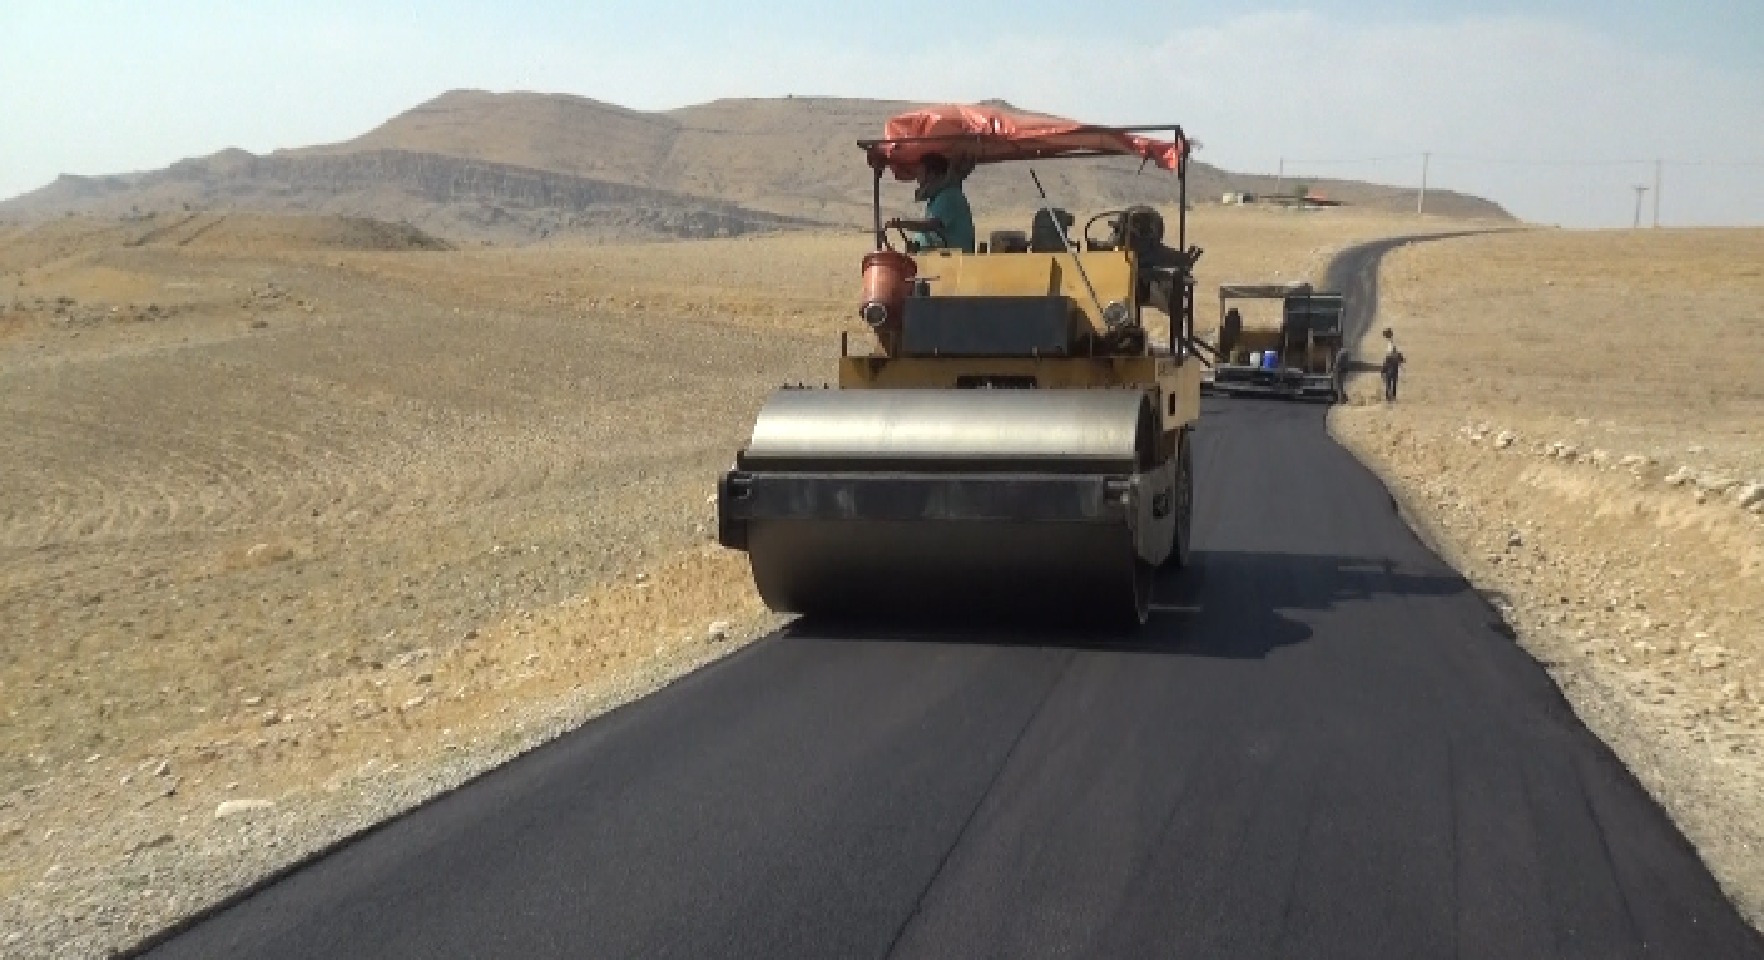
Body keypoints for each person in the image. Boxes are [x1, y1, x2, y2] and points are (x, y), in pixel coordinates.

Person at [885, 153, 975, 253]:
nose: (918, 179)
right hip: (936, 257)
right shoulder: (936, 198)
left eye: (920, 173)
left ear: (932, 174)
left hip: (953, 261)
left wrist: (903, 224)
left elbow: (931, 226)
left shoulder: (948, 196)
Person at [1380, 327, 1405, 401]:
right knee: (1393, 381)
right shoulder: (1392, 343)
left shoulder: (1391, 344)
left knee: (1388, 381)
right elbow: (1396, 354)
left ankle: (1389, 398)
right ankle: (1393, 397)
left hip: (1390, 364)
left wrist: (1384, 367)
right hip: (1394, 364)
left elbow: (1390, 355)